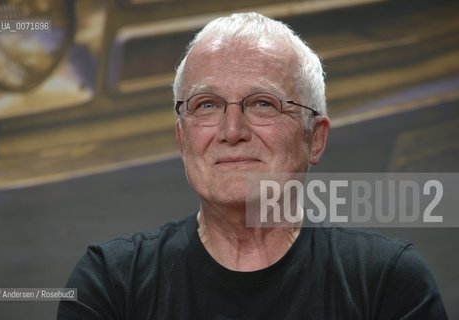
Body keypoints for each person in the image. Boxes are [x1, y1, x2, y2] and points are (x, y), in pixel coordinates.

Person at [57, 12, 447, 319]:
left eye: (263, 103)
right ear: (182, 139)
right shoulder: (111, 284)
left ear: (315, 138)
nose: (231, 131)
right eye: (206, 105)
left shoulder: (386, 284)